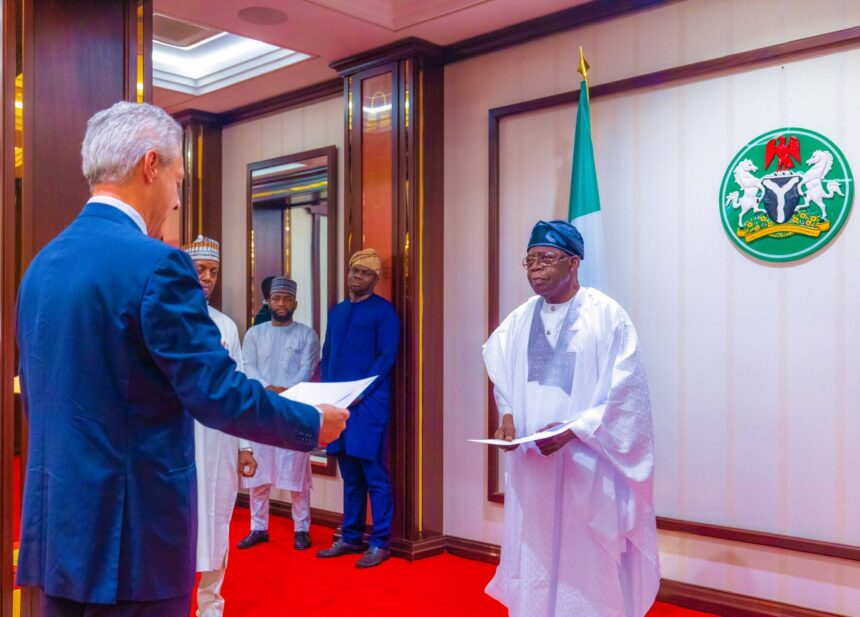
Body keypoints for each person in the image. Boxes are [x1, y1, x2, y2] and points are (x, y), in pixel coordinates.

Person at [15, 101, 349, 617]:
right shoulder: (157, 265)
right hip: (133, 541)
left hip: (58, 530)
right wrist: (310, 423)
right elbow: (216, 392)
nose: (175, 199)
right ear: (151, 165)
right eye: (177, 178)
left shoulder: (41, 266)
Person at [482, 220, 660, 616]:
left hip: (587, 465)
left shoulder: (606, 316)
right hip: (534, 471)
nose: (535, 269)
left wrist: (571, 431)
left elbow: (627, 398)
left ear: (573, 263)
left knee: (584, 560)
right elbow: (501, 372)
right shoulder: (519, 319)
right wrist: (508, 415)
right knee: (534, 552)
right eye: (529, 261)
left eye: (545, 258)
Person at [181, 235, 257, 617]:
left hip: (220, 442)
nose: (207, 278)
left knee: (217, 519)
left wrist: (246, 447)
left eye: (212, 271)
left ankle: (210, 607)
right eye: (200, 270)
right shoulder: (168, 318)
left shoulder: (226, 326)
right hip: (177, 439)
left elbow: (239, 390)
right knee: (179, 522)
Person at [316, 249, 400, 569]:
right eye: (353, 270)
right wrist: (328, 392)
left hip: (368, 405)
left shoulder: (384, 313)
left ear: (375, 280)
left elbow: (385, 359)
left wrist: (358, 394)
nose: (356, 277)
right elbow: (328, 353)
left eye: (364, 273)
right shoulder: (337, 312)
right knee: (350, 475)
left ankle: (380, 542)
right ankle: (350, 537)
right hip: (338, 404)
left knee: (374, 474)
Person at [238, 277, 319, 551]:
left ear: (295, 302)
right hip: (262, 409)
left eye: (286, 299)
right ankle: (258, 527)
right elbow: (248, 367)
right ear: (269, 301)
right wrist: (268, 389)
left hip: (293, 410)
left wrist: (285, 391)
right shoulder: (254, 334)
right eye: (277, 298)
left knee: (296, 472)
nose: (281, 304)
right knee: (259, 472)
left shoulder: (307, 334)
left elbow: (307, 371)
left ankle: (301, 528)